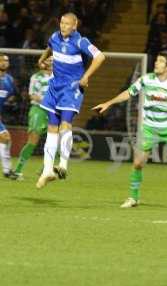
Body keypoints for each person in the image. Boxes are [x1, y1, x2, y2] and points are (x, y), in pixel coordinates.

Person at [92, 51, 167, 213]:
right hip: (149, 128)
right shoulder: (146, 79)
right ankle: (133, 197)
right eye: (157, 60)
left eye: (160, 61)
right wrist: (109, 103)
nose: (156, 63)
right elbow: (129, 93)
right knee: (138, 163)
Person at [36, 12, 105, 188]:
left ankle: (63, 164)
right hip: (54, 87)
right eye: (61, 23)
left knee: (65, 124)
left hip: (71, 88)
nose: (63, 26)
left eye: (67, 24)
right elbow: (50, 46)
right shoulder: (54, 37)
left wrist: (86, 76)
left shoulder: (80, 41)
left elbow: (100, 57)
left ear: (75, 26)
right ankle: (47, 170)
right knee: (52, 127)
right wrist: (42, 59)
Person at [10, 57, 53, 180]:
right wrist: (48, 102)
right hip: (38, 110)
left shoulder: (59, 77)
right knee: (33, 140)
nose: (52, 62)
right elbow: (32, 95)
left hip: (54, 112)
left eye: (53, 60)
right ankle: (17, 171)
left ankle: (46, 169)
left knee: (57, 141)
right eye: (49, 60)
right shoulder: (36, 77)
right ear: (43, 62)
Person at [0, 54, 17, 177]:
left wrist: (11, 100)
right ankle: (7, 170)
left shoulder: (9, 80)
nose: (4, 62)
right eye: (1, 60)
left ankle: (7, 170)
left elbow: (11, 95)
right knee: (5, 138)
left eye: (6, 60)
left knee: (7, 139)